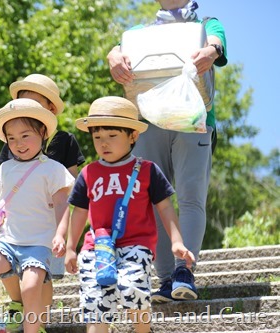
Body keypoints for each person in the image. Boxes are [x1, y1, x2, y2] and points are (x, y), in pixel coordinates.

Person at [106, 0, 227, 303]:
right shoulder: (139, 33)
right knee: (152, 199)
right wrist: (113, 57)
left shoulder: (207, 24)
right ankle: (165, 279)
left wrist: (211, 52)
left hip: (195, 120)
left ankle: (184, 270)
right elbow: (116, 51)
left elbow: (215, 43)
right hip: (148, 122)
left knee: (190, 196)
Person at [65, 96, 195, 333]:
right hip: (97, 247)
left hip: (137, 244)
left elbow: (165, 207)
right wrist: (71, 247)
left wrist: (176, 241)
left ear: (133, 136)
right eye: (97, 137)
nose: (104, 143)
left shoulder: (147, 170)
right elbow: (79, 212)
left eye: (112, 136)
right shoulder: (88, 173)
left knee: (133, 289)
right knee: (95, 302)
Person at [0, 74, 85, 330]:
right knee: (6, 267)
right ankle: (17, 302)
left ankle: (40, 321)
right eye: (22, 104)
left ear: (51, 109)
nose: (28, 110)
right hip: (17, 221)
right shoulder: (14, 139)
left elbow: (73, 183)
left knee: (41, 276)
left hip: (49, 223)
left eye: (35, 104)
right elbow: (3, 183)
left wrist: (65, 226)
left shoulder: (64, 140)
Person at [0, 98, 75, 333]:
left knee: (31, 288)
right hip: (7, 240)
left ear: (42, 132)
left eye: (25, 135)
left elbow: (63, 205)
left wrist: (61, 236)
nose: (18, 143)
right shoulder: (5, 169)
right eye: (12, 138)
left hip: (39, 243)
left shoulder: (53, 169)